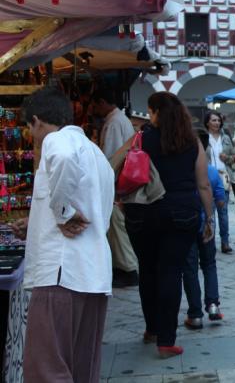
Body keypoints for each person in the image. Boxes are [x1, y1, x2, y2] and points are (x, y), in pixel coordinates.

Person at [12, 87, 115, 382]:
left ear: (37, 121)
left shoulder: (58, 140)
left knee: (47, 369)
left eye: (29, 129)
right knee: (82, 369)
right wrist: (38, 220)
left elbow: (65, 158)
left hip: (60, 275)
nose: (31, 137)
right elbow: (96, 212)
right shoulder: (96, 154)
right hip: (92, 276)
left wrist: (62, 213)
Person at [125, 92, 215, 358]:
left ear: (154, 112)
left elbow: (123, 165)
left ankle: (151, 329)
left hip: (142, 212)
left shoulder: (142, 137)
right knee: (171, 272)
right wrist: (208, 218)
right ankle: (166, 341)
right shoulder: (192, 141)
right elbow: (203, 183)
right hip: (182, 213)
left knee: (148, 271)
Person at [91, 88, 139, 289]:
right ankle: (125, 268)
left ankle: (127, 269)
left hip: (116, 183)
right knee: (118, 229)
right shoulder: (120, 120)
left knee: (118, 229)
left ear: (102, 102)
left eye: (95, 105)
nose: (94, 109)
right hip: (120, 182)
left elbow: (110, 157)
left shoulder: (113, 122)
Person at [182, 130, 226, 330]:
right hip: (207, 224)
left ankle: (195, 314)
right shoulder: (212, 172)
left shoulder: (182, 170)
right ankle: (213, 305)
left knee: (189, 268)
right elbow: (220, 202)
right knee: (209, 264)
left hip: (187, 223)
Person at [205, 111, 235, 253]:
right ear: (207, 123)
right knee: (209, 212)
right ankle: (210, 242)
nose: (217, 123)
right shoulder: (203, 139)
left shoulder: (226, 138)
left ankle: (225, 242)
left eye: (218, 120)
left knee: (223, 213)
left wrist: (227, 158)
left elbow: (234, 158)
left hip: (223, 177)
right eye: (214, 120)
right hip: (208, 178)